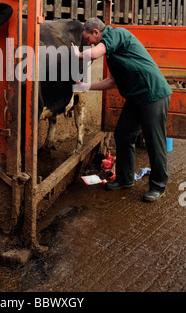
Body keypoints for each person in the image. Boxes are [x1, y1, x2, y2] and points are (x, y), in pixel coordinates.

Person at [72, 18, 172, 202]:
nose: (88, 43)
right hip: (136, 98)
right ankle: (125, 179)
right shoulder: (112, 52)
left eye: (88, 39)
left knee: (154, 141)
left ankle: (159, 186)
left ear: (96, 32)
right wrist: (86, 86)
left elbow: (94, 54)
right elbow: (112, 82)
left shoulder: (116, 34)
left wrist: (78, 54)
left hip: (153, 94)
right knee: (123, 134)